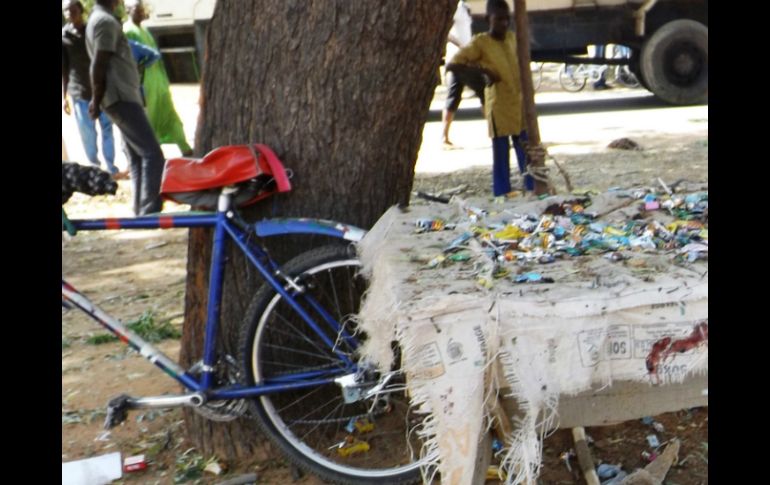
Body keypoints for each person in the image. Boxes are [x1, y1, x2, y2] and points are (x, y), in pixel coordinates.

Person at [446, 0, 534, 196]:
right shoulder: (481, 43)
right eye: (498, 19)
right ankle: (502, 191)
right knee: (501, 152)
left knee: (525, 149)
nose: (504, 23)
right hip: (499, 105)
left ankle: (531, 186)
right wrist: (483, 72)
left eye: (507, 19)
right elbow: (453, 64)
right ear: (488, 19)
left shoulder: (511, 38)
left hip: (518, 102)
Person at [87, 0, 165, 215]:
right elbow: (98, 64)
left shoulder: (101, 19)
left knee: (138, 156)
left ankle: (140, 210)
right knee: (153, 154)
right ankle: (150, 211)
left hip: (122, 95)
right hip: (120, 97)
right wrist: (96, 99)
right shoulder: (103, 21)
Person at [123, 0, 194, 156]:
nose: (141, 12)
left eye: (141, 9)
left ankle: (184, 146)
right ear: (127, 10)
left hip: (158, 80)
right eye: (136, 9)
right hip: (146, 82)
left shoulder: (144, 29)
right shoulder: (128, 31)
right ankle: (154, 153)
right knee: (151, 117)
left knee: (169, 113)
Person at [62, 0, 124, 178]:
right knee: (88, 133)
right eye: (66, 11)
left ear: (81, 11)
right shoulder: (63, 37)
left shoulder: (92, 30)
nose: (69, 14)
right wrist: (64, 96)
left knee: (107, 129)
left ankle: (111, 168)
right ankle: (95, 168)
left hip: (101, 89)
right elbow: (64, 69)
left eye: (72, 10)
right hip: (79, 92)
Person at [442, 0, 486, 147]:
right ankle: (495, 131)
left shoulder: (464, 7)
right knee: (484, 92)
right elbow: (446, 32)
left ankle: (444, 136)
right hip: (461, 59)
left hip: (461, 59)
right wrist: (461, 45)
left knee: (453, 97)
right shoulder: (455, 8)